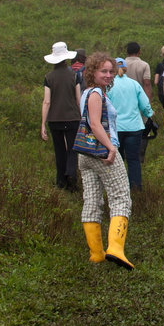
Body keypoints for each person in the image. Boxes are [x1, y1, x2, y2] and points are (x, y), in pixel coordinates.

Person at [78, 52, 134, 269]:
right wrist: (110, 147)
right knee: (121, 197)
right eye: (104, 71)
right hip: (103, 152)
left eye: (111, 71)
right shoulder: (96, 94)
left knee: (92, 200)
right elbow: (94, 123)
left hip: (85, 154)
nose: (109, 75)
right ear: (92, 72)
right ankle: (116, 249)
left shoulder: (85, 93)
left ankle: (96, 254)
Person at [107, 58, 153, 191]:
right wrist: (149, 114)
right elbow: (145, 105)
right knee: (133, 160)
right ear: (126, 69)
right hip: (134, 127)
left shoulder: (109, 86)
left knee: (117, 160)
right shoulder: (134, 84)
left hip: (115, 129)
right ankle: (136, 187)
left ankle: (118, 188)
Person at [41, 41, 81, 191]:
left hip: (54, 119)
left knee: (59, 150)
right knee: (72, 149)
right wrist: (82, 117)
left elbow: (46, 101)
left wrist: (43, 124)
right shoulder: (74, 75)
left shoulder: (48, 77)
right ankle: (71, 176)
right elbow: (78, 99)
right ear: (66, 58)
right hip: (72, 117)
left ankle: (61, 181)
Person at [124, 42, 152, 163]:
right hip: (139, 101)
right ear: (139, 52)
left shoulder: (121, 65)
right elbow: (147, 83)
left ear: (127, 52)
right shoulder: (144, 65)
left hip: (123, 101)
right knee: (141, 128)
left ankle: (124, 154)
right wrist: (147, 102)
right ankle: (139, 156)